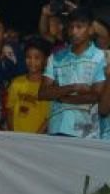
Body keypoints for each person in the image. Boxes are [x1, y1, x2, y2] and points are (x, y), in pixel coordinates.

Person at [39, 8, 106, 139]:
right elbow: (43, 93)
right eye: (71, 27)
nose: (74, 31)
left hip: (86, 132)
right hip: (56, 128)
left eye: (79, 27)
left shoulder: (100, 57)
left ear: (91, 29)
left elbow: (96, 95)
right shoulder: (56, 57)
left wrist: (62, 97)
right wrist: (74, 87)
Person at [6, 38, 51, 134]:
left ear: (46, 60)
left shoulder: (48, 86)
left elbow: (48, 119)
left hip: (36, 141)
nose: (32, 61)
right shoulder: (16, 82)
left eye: (37, 58)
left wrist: (34, 139)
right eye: (28, 57)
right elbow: (10, 111)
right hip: (16, 137)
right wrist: (13, 133)